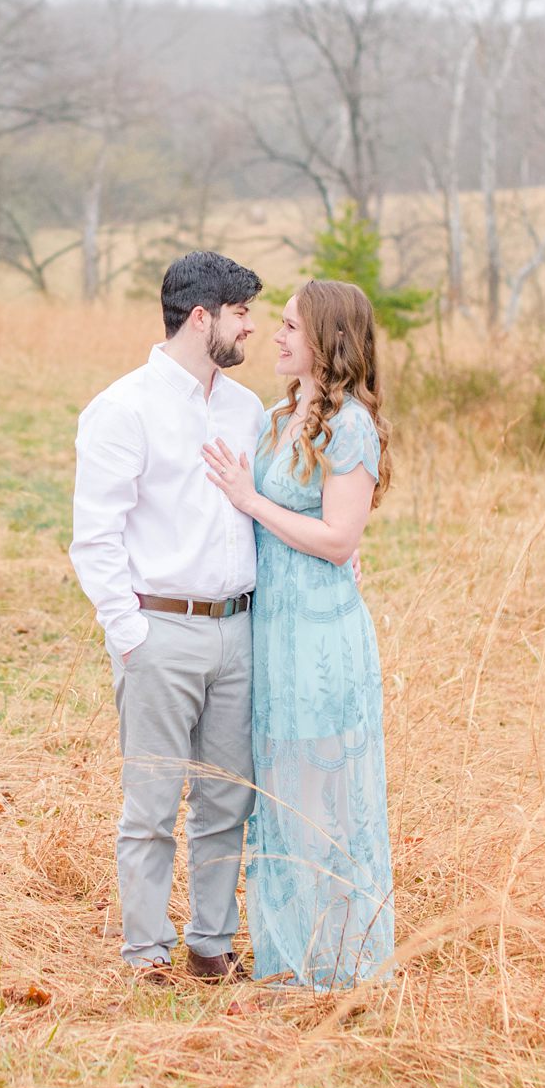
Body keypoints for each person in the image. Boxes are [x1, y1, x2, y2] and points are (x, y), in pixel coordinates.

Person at [68, 251, 269, 983]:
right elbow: (95, 536)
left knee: (227, 798)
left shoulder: (248, 411)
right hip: (161, 629)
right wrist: (132, 636)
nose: (252, 327)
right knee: (151, 804)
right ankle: (145, 953)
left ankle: (212, 944)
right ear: (201, 317)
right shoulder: (123, 408)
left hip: (239, 628)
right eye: (240, 313)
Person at [201, 279, 396, 991]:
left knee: (322, 799)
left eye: (289, 326)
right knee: (279, 794)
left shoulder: (351, 427)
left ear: (325, 339)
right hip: (271, 629)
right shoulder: (279, 415)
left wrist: (252, 499)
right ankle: (287, 959)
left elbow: (341, 539)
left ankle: (337, 964)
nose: (275, 336)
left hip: (319, 635)